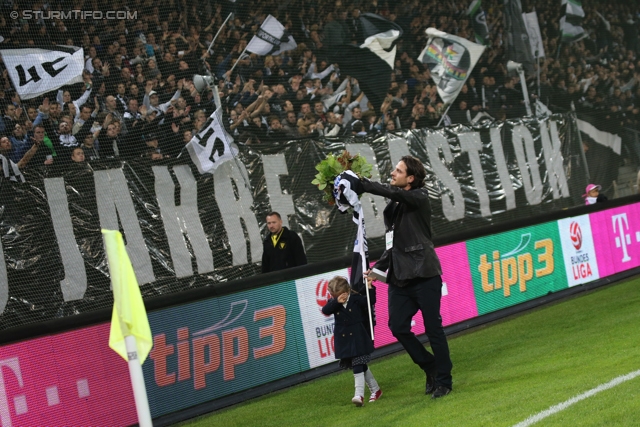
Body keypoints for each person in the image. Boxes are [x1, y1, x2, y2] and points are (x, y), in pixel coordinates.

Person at [361, 155, 453, 399]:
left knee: (434, 329)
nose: (393, 173)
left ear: (410, 179)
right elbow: (393, 245)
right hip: (400, 278)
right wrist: (377, 270)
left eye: (398, 170)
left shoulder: (419, 197)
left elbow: (396, 193)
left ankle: (444, 379)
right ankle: (429, 366)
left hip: (424, 274)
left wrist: (365, 184)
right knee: (398, 326)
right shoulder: (395, 206)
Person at [321, 276, 381, 407]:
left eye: (340, 295)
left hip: (358, 336)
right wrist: (336, 301)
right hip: (344, 340)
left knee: (358, 364)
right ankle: (376, 390)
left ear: (347, 291)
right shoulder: (334, 304)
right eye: (334, 296)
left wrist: (370, 287)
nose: (338, 297)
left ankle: (359, 394)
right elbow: (325, 310)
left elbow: (370, 301)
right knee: (360, 364)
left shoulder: (355, 299)